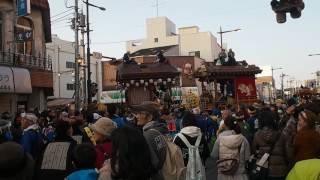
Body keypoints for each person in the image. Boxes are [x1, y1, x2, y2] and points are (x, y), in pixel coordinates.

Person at [130, 101, 167, 180]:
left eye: (140, 113)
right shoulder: (160, 129)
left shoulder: (148, 135)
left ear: (149, 117)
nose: (137, 116)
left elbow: (152, 164)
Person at [251, 110, 291, 180]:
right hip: (280, 172)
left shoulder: (257, 135)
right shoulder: (282, 135)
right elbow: (288, 155)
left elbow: (254, 151)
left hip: (263, 170)